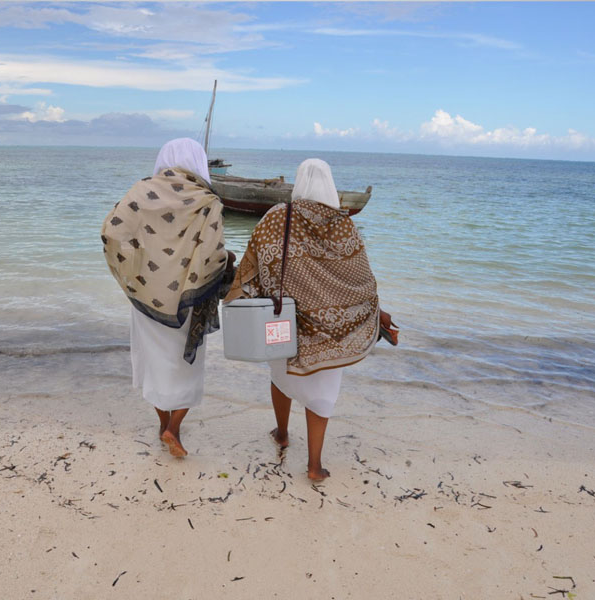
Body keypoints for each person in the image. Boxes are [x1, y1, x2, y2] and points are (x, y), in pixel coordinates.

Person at [224, 158, 396, 481]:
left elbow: (253, 263)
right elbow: (361, 281)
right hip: (333, 334)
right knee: (322, 393)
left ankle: (282, 433)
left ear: (299, 183)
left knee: (280, 376)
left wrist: (238, 294)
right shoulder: (344, 224)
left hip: (286, 324)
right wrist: (377, 313)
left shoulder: (277, 217)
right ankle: (315, 465)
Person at [101, 138, 235, 457]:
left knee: (155, 363)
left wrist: (136, 271)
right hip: (189, 298)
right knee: (185, 366)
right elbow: (214, 254)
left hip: (148, 297)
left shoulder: (142, 191)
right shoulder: (207, 200)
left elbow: (113, 234)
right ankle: (174, 429)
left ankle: (163, 426)